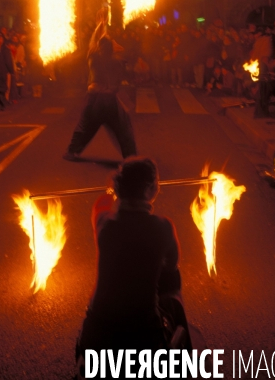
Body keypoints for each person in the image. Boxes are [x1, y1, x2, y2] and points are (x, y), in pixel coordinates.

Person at [75, 157, 191, 377]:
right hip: (142, 337)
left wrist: (111, 193)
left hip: (96, 333)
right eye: (157, 182)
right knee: (173, 283)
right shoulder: (163, 226)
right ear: (150, 189)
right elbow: (172, 263)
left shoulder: (103, 222)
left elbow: (101, 203)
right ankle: (179, 366)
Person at [63, 11, 137, 161]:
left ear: (99, 47)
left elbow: (94, 42)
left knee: (85, 126)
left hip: (94, 97)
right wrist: (104, 31)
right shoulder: (118, 61)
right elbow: (116, 48)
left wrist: (99, 26)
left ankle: (72, 151)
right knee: (122, 127)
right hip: (109, 99)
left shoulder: (94, 57)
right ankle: (131, 156)